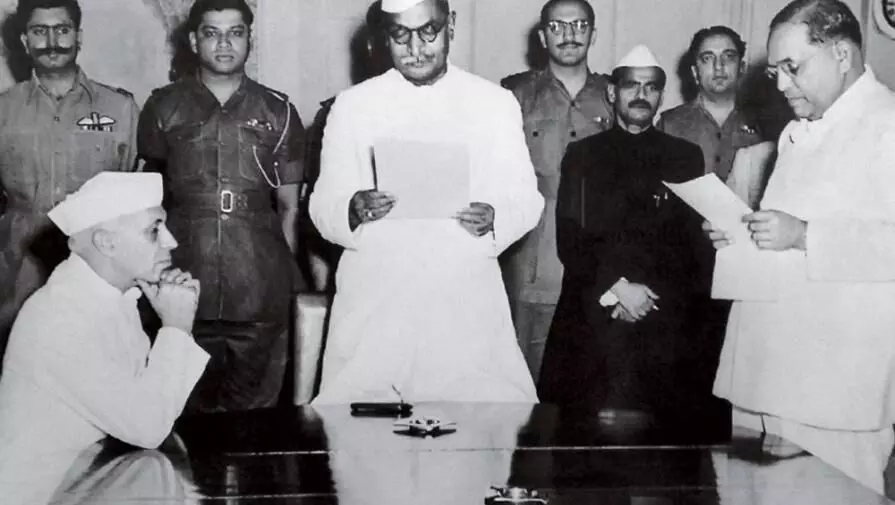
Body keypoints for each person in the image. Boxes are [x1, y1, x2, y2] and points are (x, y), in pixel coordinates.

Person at [309, 0, 543, 403]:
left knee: (475, 425)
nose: (415, 49)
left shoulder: (493, 103)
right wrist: (352, 208)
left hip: (462, 301)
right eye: (400, 36)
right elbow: (321, 204)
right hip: (378, 304)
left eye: (428, 32)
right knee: (366, 428)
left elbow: (526, 199)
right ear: (385, 36)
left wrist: (495, 217)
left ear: (450, 24)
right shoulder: (352, 106)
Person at [706, 0, 895, 493]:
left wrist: (803, 234)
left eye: (793, 67)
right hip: (764, 371)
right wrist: (743, 233)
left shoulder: (887, 124)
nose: (782, 85)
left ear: (841, 54)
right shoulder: (797, 130)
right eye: (775, 71)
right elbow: (785, 236)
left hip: (833, 389)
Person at [138, 0, 306, 412]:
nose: (224, 44)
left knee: (257, 419)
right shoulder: (163, 107)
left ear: (250, 39)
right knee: (183, 417)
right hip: (183, 282)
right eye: (212, 33)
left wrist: (281, 281)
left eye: (235, 33)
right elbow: (147, 199)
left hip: (259, 289)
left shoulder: (279, 112)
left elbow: (289, 207)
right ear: (194, 41)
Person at [0, 172, 208, 503]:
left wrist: (173, 327)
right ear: (107, 243)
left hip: (84, 479)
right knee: (159, 469)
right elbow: (149, 428)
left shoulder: (108, 297)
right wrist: (175, 328)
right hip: (41, 495)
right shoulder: (61, 317)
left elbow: (155, 410)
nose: (171, 241)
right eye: (154, 230)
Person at [538, 45, 712, 427]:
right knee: (581, 439)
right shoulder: (582, 155)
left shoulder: (685, 157)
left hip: (662, 318)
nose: (641, 95)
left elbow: (689, 248)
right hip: (592, 314)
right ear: (612, 93)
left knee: (663, 441)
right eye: (632, 86)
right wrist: (619, 288)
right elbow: (571, 239)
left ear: (661, 95)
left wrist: (646, 297)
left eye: (651, 87)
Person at [0, 0, 140, 361]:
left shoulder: (120, 109)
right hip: (17, 280)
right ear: (24, 40)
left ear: (78, 36)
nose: (52, 42)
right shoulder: (3, 110)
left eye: (62, 30)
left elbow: (136, 202)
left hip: (97, 278)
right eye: (39, 31)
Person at [498, 0, 613, 383]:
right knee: (528, 370)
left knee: (593, 373)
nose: (569, 34)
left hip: (601, 255)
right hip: (536, 255)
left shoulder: (614, 94)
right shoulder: (515, 95)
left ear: (593, 34)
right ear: (542, 36)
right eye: (557, 26)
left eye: (579, 25)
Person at [657, 26, 765, 188]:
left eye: (728, 57)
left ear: (741, 68)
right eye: (707, 58)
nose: (718, 66)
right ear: (695, 72)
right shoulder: (669, 125)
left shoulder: (765, 124)